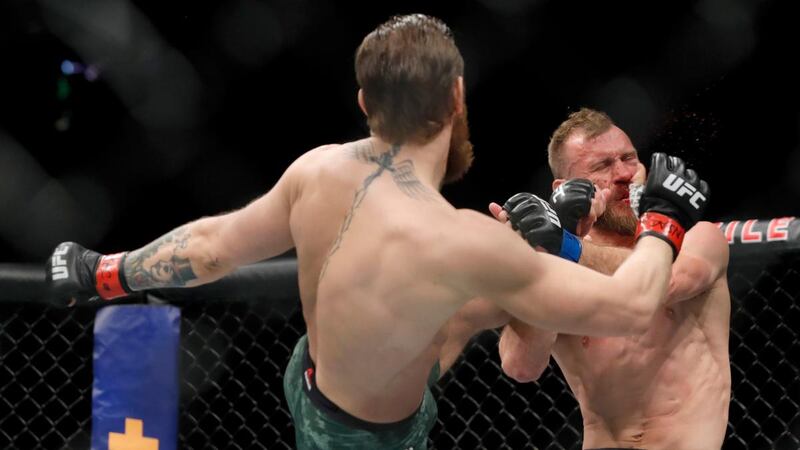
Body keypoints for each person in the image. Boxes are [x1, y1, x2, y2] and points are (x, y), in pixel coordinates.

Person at [45, 17, 707, 449]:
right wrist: (664, 220)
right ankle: (553, 250)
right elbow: (631, 307)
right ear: (455, 98)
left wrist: (104, 271)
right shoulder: (457, 243)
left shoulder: (316, 169)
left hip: (310, 369)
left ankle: (552, 248)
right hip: (368, 439)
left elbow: (212, 248)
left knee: (489, 277)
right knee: (496, 269)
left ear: (365, 103)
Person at [494, 108, 730, 450]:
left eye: (629, 159)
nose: (623, 174)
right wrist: (547, 260)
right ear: (565, 189)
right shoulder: (558, 264)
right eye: (603, 166)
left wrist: (564, 246)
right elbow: (521, 365)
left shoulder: (700, 239)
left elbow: (661, 282)